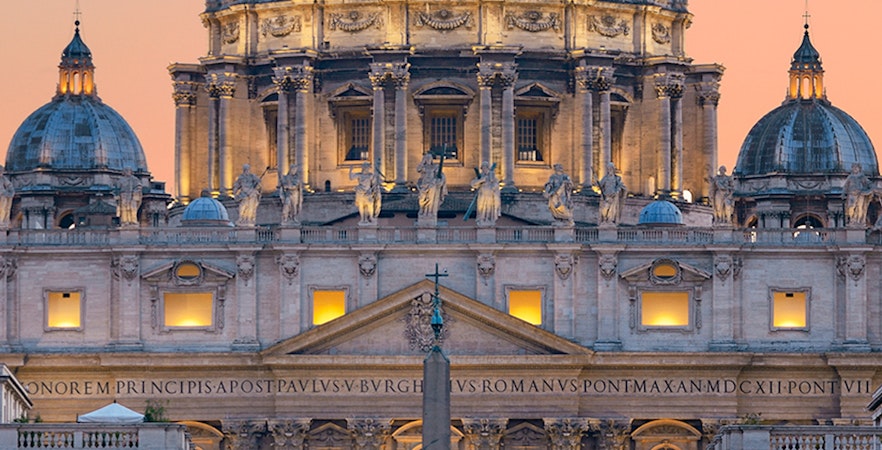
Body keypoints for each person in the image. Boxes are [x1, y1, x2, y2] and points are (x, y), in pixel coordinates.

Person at [416, 153, 447, 222]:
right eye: (426, 158)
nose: (428, 160)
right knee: (422, 199)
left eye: (429, 158)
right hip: (424, 184)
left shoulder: (435, 166)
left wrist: (440, 180)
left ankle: (429, 213)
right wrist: (422, 162)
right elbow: (418, 169)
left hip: (432, 184)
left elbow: (440, 174)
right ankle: (423, 210)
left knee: (431, 200)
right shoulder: (423, 167)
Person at [470, 161, 501, 227]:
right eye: (482, 168)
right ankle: (482, 220)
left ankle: (489, 220)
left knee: (489, 208)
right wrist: (481, 180)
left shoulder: (492, 176)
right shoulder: (480, 176)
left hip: (490, 194)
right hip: (482, 194)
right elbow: (473, 184)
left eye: (485, 167)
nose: (484, 169)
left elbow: (496, 184)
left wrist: (494, 187)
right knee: (481, 208)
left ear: (487, 168)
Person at [843, 163, 873, 227]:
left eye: (856, 168)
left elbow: (869, 184)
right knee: (850, 208)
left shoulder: (862, 177)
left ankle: (858, 221)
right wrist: (843, 193)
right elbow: (845, 186)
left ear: (859, 169)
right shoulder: (850, 177)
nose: (855, 169)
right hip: (851, 194)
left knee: (860, 208)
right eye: (853, 168)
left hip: (860, 194)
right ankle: (852, 220)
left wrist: (870, 190)